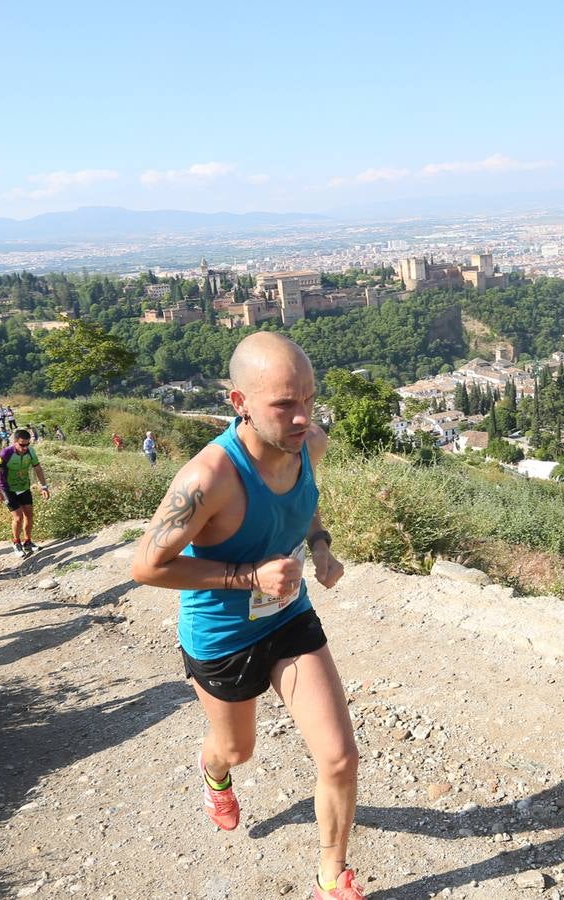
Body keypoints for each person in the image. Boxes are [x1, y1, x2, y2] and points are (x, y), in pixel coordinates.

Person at [130, 333, 360, 899]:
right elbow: (146, 567)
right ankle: (215, 774)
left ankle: (331, 878)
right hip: (222, 636)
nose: (302, 416)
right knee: (237, 750)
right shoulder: (207, 479)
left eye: (309, 398)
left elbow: (306, 505)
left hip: (288, 616)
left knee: (338, 757)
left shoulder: (309, 443)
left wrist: (321, 547)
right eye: (284, 404)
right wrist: (247, 576)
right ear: (240, 403)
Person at [0, 428, 50, 558]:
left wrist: (44, 487)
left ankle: (28, 542)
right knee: (18, 517)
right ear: (15, 442)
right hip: (8, 489)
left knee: (29, 514)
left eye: (27, 444)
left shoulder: (30, 452)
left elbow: (38, 468)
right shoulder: (5, 454)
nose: (25, 447)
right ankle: (16, 543)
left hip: (24, 487)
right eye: (22, 445)